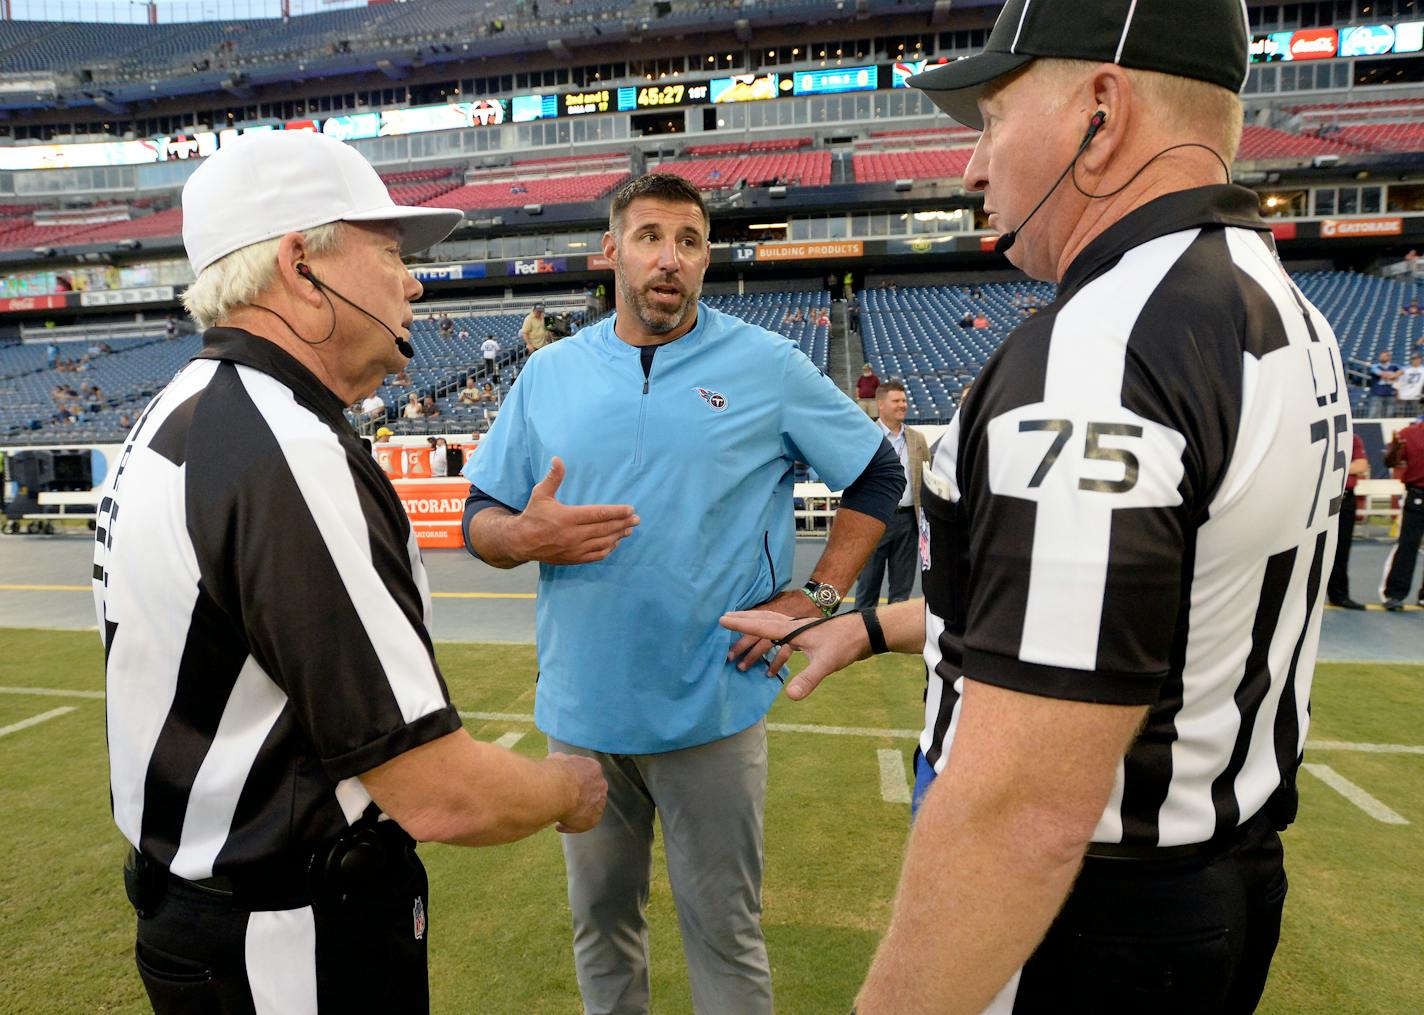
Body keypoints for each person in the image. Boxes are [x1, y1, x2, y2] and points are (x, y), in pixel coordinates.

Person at [723, 4, 1346, 1011]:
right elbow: (1118, 606)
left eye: (991, 118)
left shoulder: (1093, 355)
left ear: (1098, 110)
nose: (971, 166)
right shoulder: (1270, 302)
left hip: (1093, 914)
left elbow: (1024, 810)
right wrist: (873, 630)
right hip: (1223, 875)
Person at [93, 128, 604, 1015]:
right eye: (389, 250)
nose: (412, 281)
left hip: (204, 917)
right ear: (303, 265)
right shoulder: (286, 447)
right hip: (287, 942)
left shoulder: (178, 413)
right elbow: (441, 792)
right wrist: (571, 786)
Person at [462, 172, 901, 1015]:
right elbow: (484, 511)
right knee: (600, 927)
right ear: (611, 252)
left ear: (706, 260)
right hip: (582, 713)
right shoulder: (550, 372)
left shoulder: (766, 365)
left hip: (713, 700)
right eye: (651, 236)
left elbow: (877, 473)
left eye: (690, 242)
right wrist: (521, 537)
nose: (670, 258)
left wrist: (817, 593)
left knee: (724, 931)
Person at [852, 379, 929, 611]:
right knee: (867, 586)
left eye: (904, 400)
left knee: (901, 590)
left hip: (908, 522)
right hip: (873, 520)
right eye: (896, 401)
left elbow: (927, 478)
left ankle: (895, 641)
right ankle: (861, 641)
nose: (902, 405)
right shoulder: (866, 436)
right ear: (881, 405)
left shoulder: (917, 440)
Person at [1381, 416, 1424, 610]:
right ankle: (1394, 594)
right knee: (1407, 546)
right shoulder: (1408, 434)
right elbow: (1389, 463)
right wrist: (1396, 450)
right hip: (1418, 495)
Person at [1327, 431, 1370, 610]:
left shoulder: (1352, 438)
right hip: (1319, 498)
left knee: (1341, 549)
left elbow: (1361, 465)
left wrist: (1329, 466)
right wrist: (1346, 466)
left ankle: (1339, 595)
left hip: (1344, 499)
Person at [1368, 349, 1402, 418]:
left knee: (1389, 414)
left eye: (1384, 356)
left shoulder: (1395, 366)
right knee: (1374, 413)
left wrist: (1394, 375)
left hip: (1390, 393)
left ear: (1389, 357)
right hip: (1377, 393)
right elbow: (1381, 374)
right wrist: (1394, 375)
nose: (1382, 358)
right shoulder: (1375, 366)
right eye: (1381, 356)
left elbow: (1401, 372)